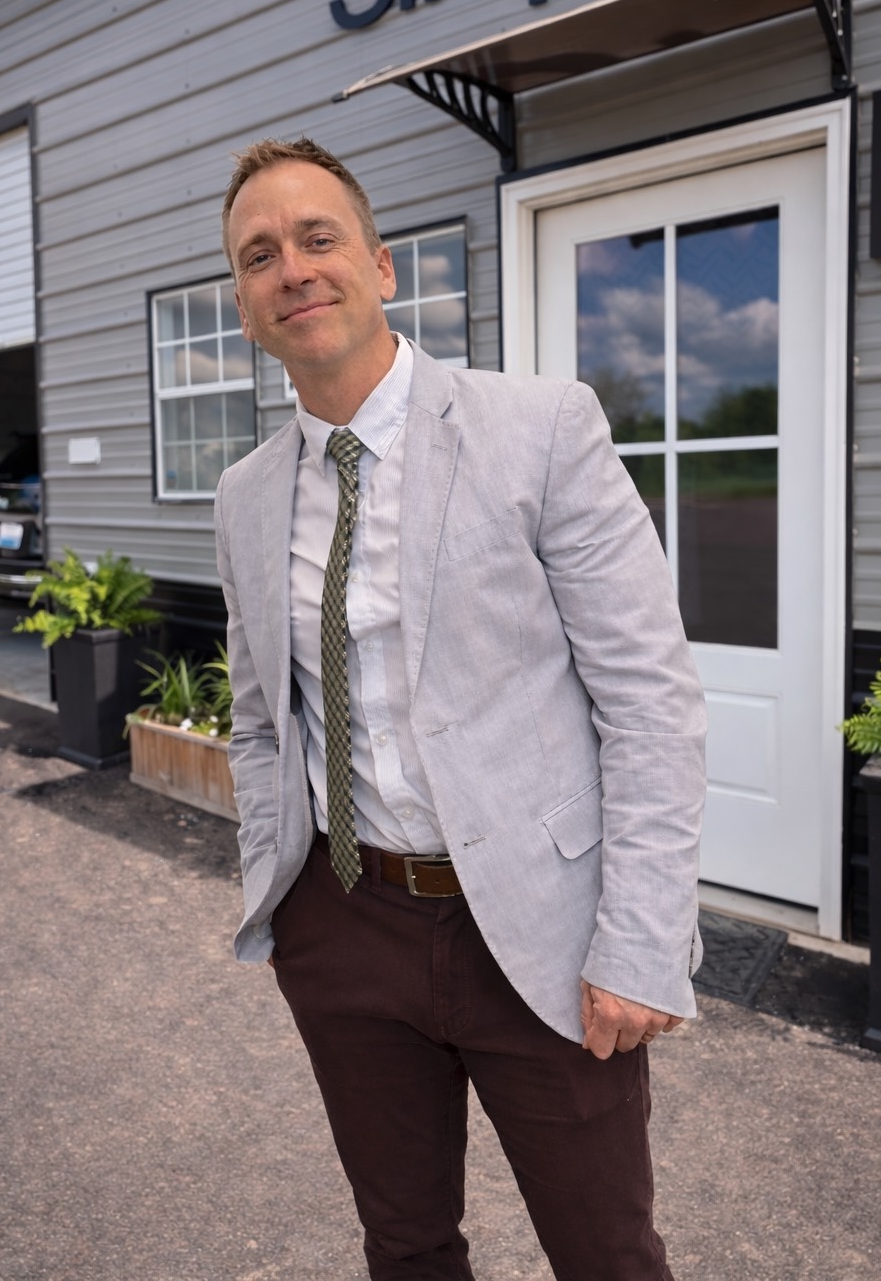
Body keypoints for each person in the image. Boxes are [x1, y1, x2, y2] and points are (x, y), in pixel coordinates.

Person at [213, 136, 707, 1281]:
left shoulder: (537, 427)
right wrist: (281, 901)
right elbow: (255, 718)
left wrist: (637, 941)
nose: (293, 268)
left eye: (318, 238)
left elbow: (647, 701)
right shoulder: (244, 499)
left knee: (607, 1252)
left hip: (536, 931)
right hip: (346, 924)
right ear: (243, 305)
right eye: (259, 255)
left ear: (383, 267)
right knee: (405, 1244)